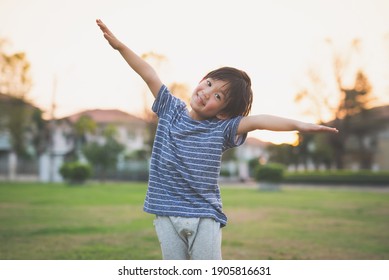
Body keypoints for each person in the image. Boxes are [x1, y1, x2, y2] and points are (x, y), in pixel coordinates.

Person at [96, 19, 338, 260]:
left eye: (218, 95)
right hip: (166, 211)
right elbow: (148, 73)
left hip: (204, 215)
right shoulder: (171, 109)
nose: (206, 93)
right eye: (208, 83)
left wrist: (300, 125)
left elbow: (259, 121)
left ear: (223, 112)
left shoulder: (222, 128)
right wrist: (120, 47)